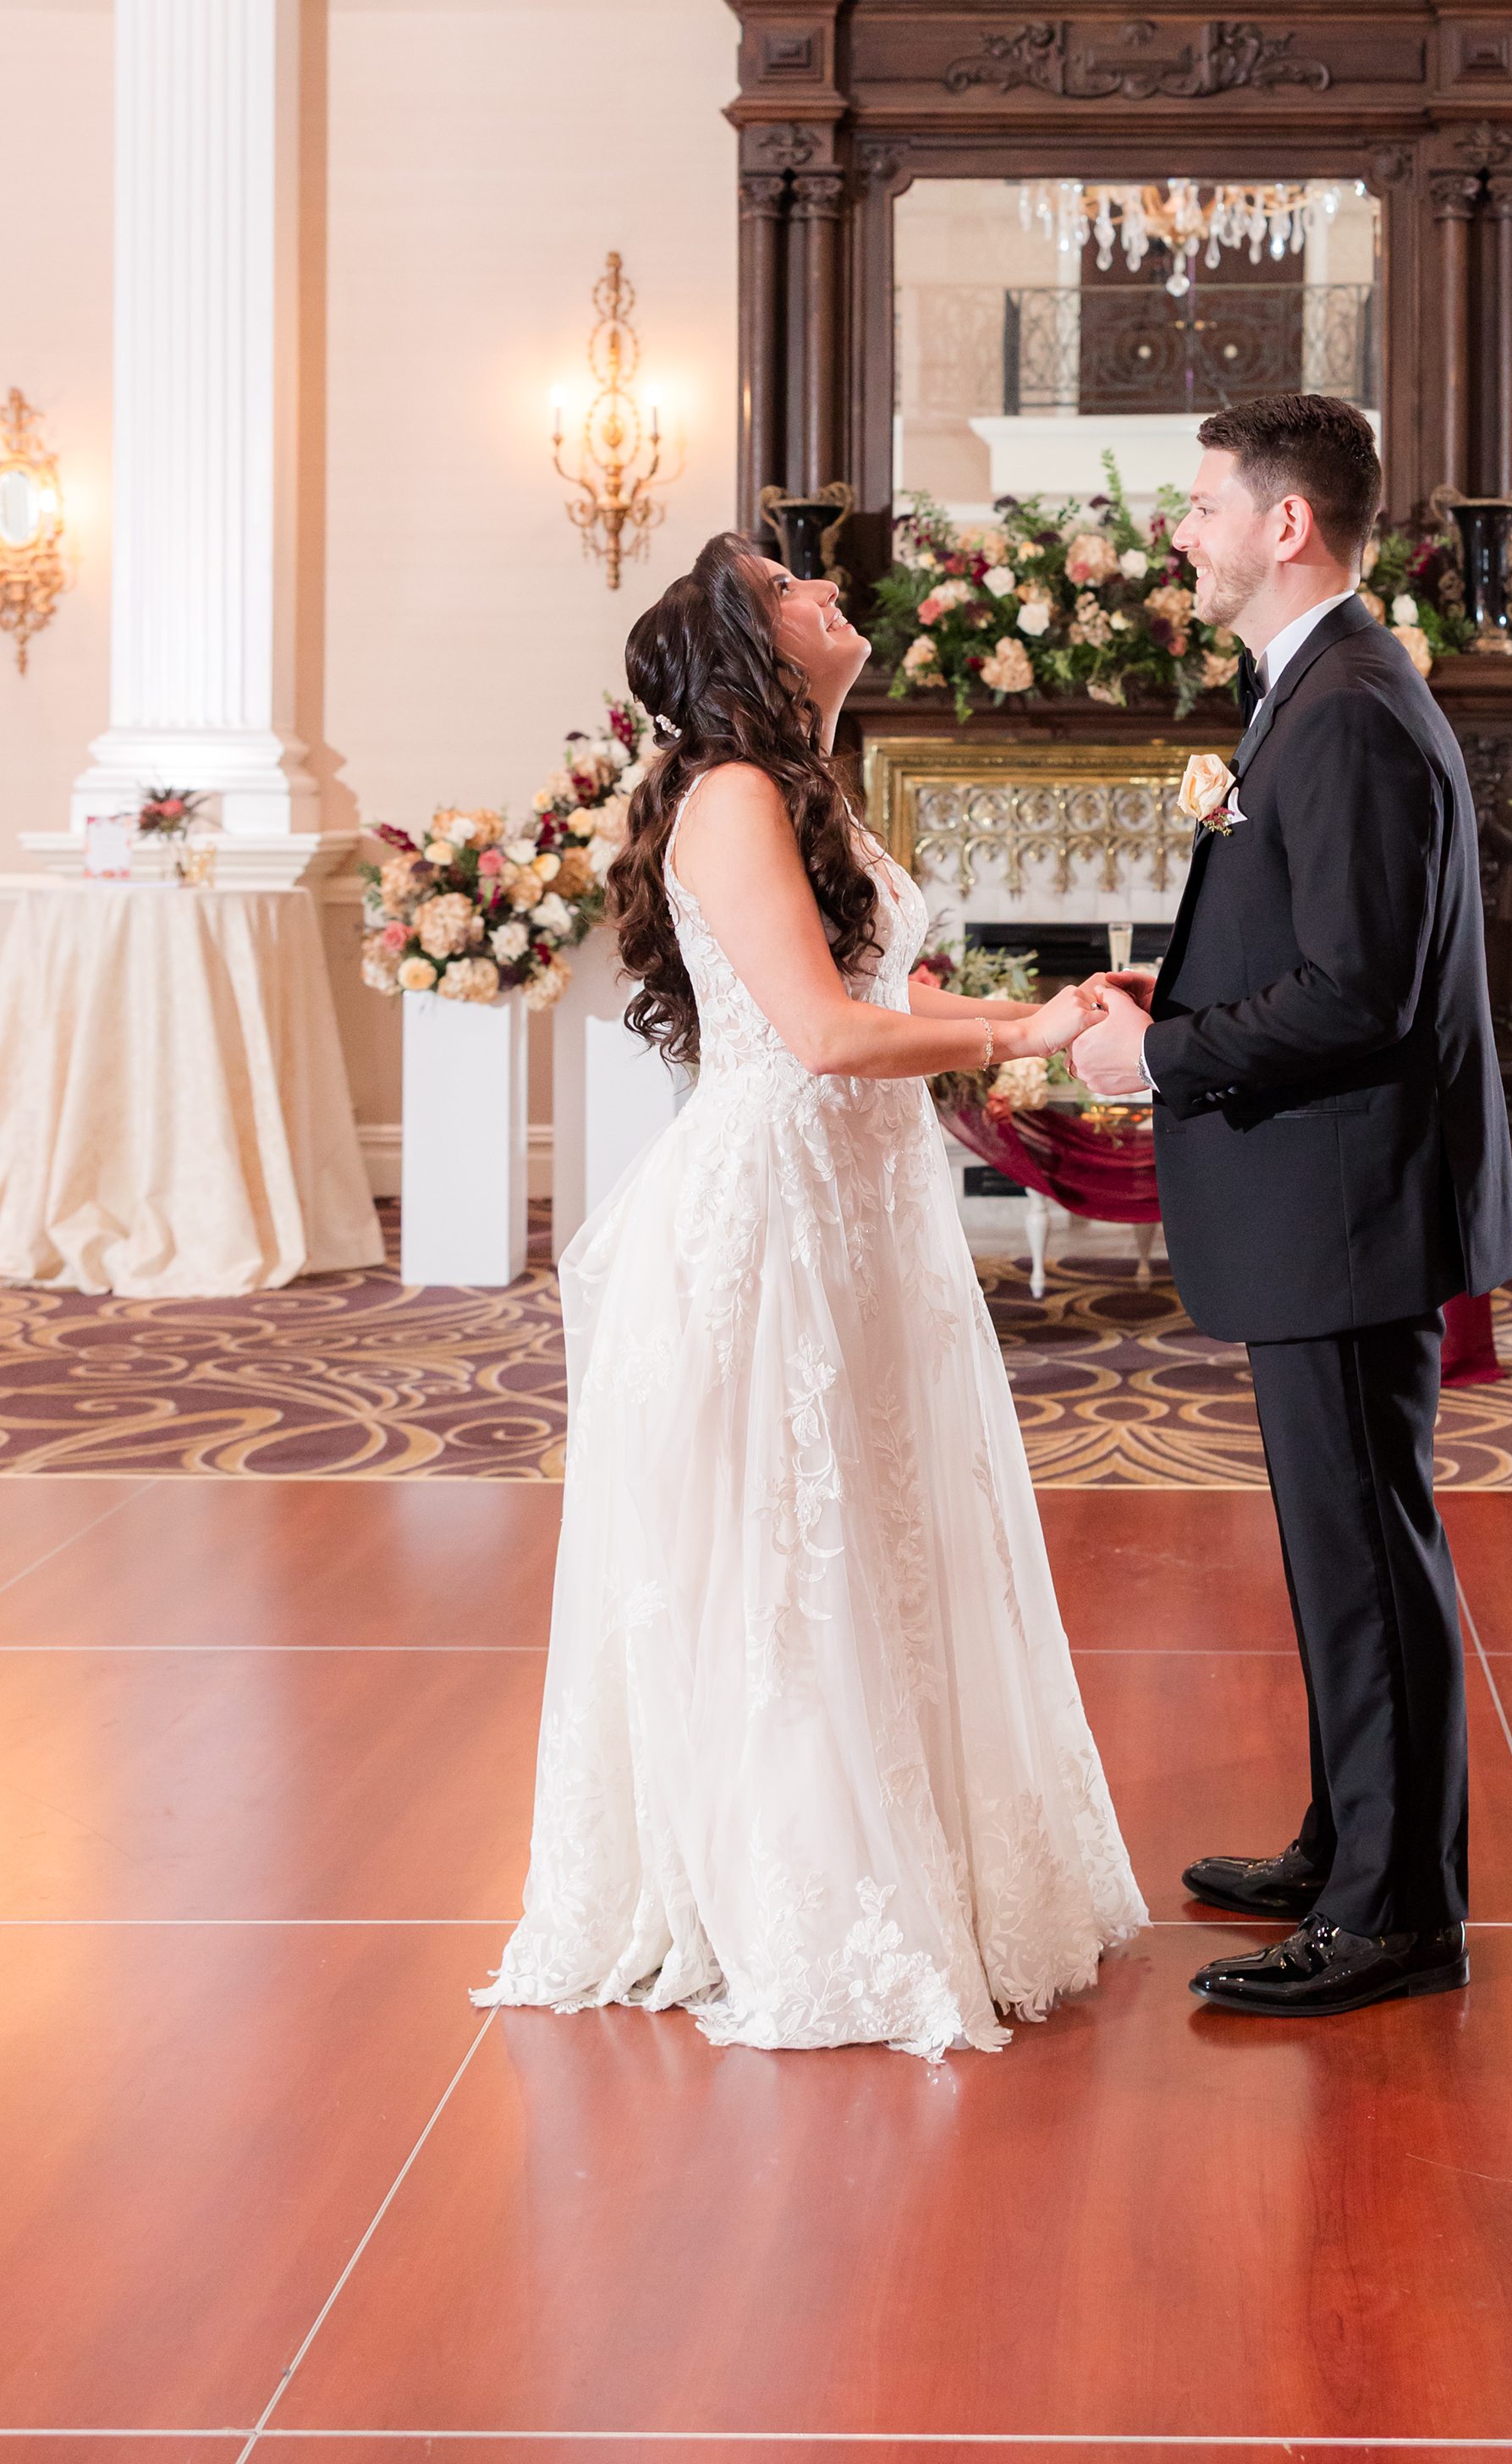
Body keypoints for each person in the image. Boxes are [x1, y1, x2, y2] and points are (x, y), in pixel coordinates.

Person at [476, 532, 1145, 2057]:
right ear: (750, 642)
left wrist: (1048, 1014)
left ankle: (918, 1856)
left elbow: (893, 997)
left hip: (860, 1210)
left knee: (882, 1530)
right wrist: (1021, 1040)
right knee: (791, 1553)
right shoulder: (731, 796)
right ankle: (800, 1894)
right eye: (785, 582)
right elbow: (829, 1040)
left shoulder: (812, 796)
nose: (820, 586)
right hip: (770, 1218)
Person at [1072, 392, 1512, 2021]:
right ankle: (1353, 1846)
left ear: (1285, 526)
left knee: (1366, 1557)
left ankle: (1396, 1913)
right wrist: (1180, 982)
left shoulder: (1343, 709)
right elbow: (1322, 946)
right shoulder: (1315, 687)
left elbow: (1363, 997)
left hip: (1342, 1205)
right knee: (1341, 1550)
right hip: (1326, 1198)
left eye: (1200, 505)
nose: (1175, 530)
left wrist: (1158, 1055)